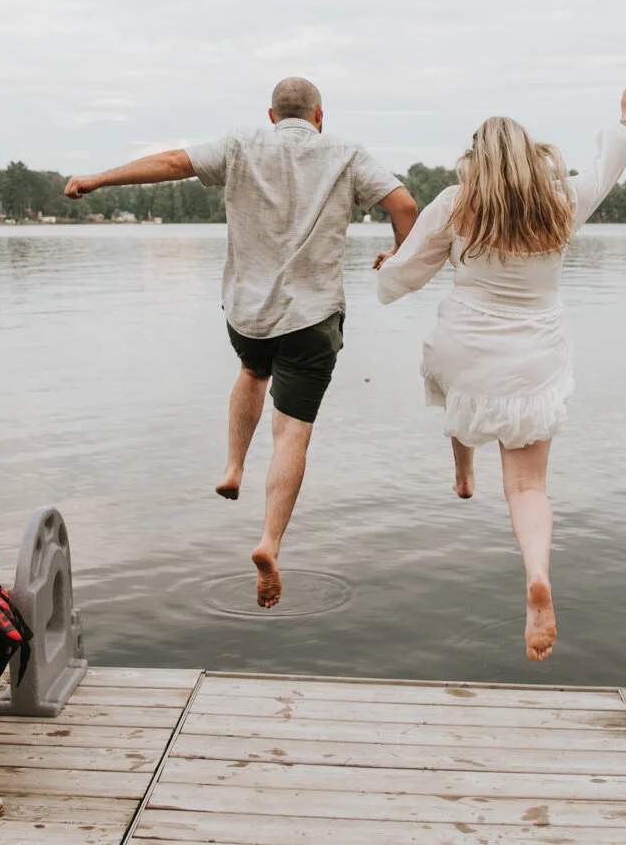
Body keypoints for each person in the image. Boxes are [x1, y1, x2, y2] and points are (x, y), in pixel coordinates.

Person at [65, 77, 419, 607]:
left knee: (253, 373)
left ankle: (233, 467)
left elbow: (168, 164)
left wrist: (96, 180)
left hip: (247, 312)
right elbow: (405, 206)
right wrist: (400, 259)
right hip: (312, 316)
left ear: (272, 115)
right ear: (320, 115)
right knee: (292, 433)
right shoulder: (345, 153)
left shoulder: (239, 144)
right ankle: (269, 542)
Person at [374, 81, 626, 661]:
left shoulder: (455, 201)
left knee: (443, 375)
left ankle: (463, 474)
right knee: (528, 486)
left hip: (466, 346)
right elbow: (611, 161)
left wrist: (387, 264)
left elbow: (406, 273)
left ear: (474, 157)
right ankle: (536, 576)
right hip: (535, 354)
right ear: (529, 154)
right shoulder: (562, 201)